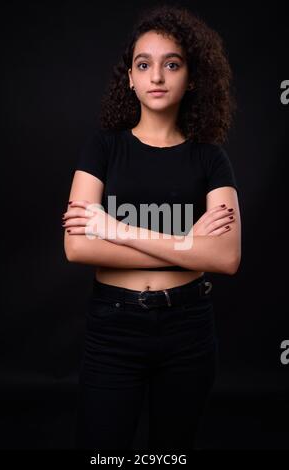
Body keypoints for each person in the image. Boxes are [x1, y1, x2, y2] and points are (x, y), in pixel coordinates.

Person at [62, 4, 241, 451]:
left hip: (188, 328)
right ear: (130, 78)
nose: (157, 76)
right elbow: (77, 248)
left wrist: (116, 229)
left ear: (192, 77)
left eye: (172, 64)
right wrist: (190, 241)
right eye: (144, 65)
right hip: (114, 326)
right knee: (103, 454)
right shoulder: (102, 146)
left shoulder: (210, 156)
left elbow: (226, 257)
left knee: (170, 455)